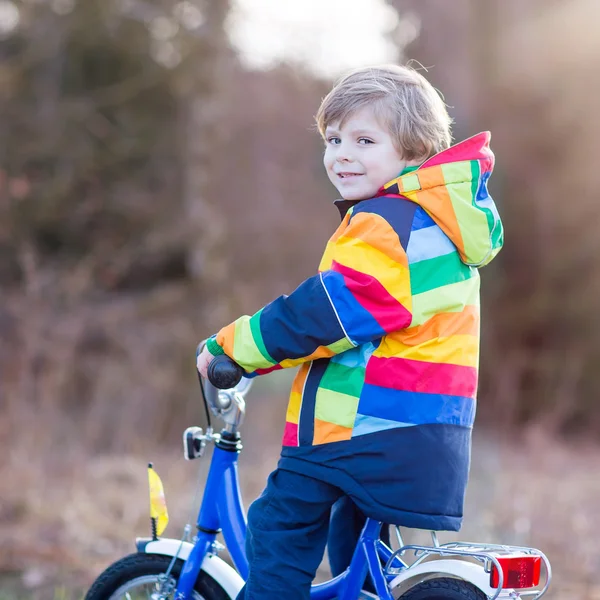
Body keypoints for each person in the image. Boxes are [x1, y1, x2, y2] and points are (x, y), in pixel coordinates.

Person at [197, 64, 504, 600]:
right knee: (355, 555)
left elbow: (327, 313)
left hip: (359, 428)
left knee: (281, 525)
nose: (341, 154)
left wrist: (234, 349)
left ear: (413, 151)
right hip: (424, 432)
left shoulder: (388, 221)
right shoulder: (443, 224)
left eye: (364, 140)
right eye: (334, 138)